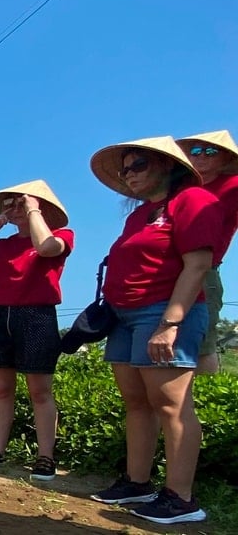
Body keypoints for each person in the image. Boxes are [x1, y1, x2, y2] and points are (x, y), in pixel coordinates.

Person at [87, 136, 220, 524]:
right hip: (125, 316)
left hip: (162, 313)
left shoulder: (193, 201)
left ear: (167, 165)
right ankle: (137, 481)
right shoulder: (139, 215)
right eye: (126, 168)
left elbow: (197, 265)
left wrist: (171, 322)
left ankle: (181, 498)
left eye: (139, 165)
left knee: (172, 404)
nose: (129, 174)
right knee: (136, 402)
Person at [0, 180, 74, 482]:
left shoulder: (62, 235)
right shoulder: (3, 245)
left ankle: (45, 456)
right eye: (9, 205)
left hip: (37, 314)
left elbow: (46, 247)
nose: (14, 211)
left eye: (20, 205)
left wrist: (34, 210)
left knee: (39, 390)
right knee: (2, 389)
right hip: (2, 315)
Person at [176, 130, 238, 375]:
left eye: (210, 151)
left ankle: (206, 396)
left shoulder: (233, 185)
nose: (201, 156)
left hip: (204, 271)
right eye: (195, 151)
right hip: (170, 270)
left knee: (203, 340)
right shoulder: (181, 186)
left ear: (224, 159)